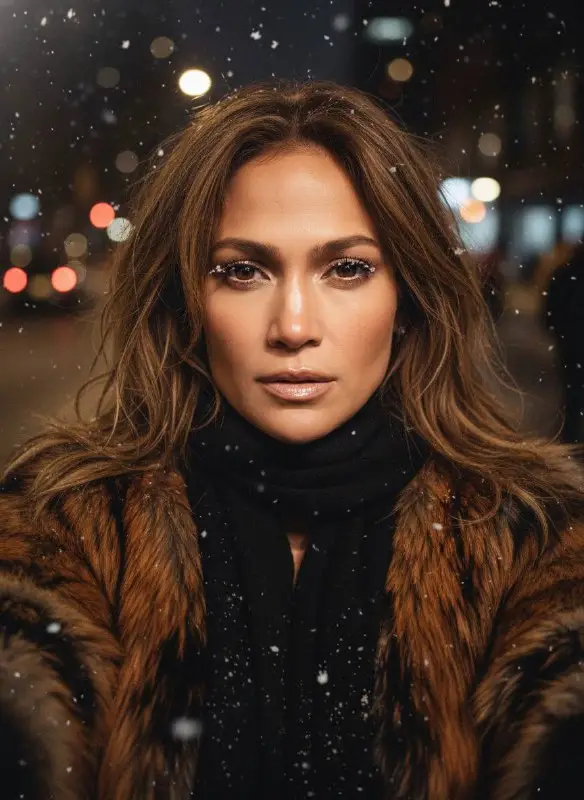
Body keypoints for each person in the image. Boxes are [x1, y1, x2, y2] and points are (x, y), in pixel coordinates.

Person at [2, 79, 584, 800]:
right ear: (186, 300)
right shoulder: (64, 530)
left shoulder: (536, 539)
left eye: (347, 268)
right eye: (243, 271)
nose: (295, 326)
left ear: (407, 295)